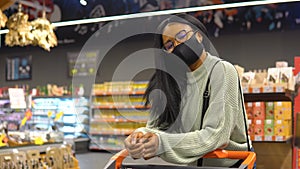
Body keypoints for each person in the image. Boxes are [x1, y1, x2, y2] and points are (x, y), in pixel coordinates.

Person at [124, 13, 256, 168]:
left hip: (229, 164)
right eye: (169, 45)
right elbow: (155, 128)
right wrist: (140, 137)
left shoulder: (222, 71)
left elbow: (216, 135)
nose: (178, 44)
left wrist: (161, 143)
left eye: (181, 35)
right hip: (194, 164)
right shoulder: (171, 82)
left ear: (199, 36)